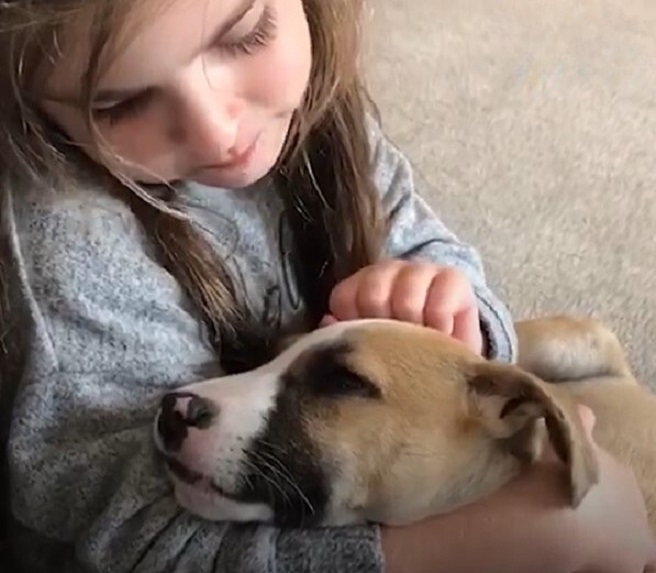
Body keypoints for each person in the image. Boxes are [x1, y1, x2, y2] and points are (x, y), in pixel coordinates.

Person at [0, 0, 653, 572]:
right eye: (119, 103)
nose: (219, 131)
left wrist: (453, 311)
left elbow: (432, 249)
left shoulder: (317, 113)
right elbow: (155, 545)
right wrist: (522, 537)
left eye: (245, 33)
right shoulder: (65, 244)